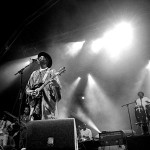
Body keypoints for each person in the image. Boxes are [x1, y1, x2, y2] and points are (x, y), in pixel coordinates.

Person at [26, 51, 62, 120]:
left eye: (42, 56)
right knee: (34, 127)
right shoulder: (34, 73)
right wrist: (31, 92)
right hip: (34, 107)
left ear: (47, 60)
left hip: (47, 106)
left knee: (45, 127)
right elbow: (27, 88)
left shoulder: (52, 72)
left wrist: (56, 86)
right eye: (39, 57)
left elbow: (58, 89)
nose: (40, 57)